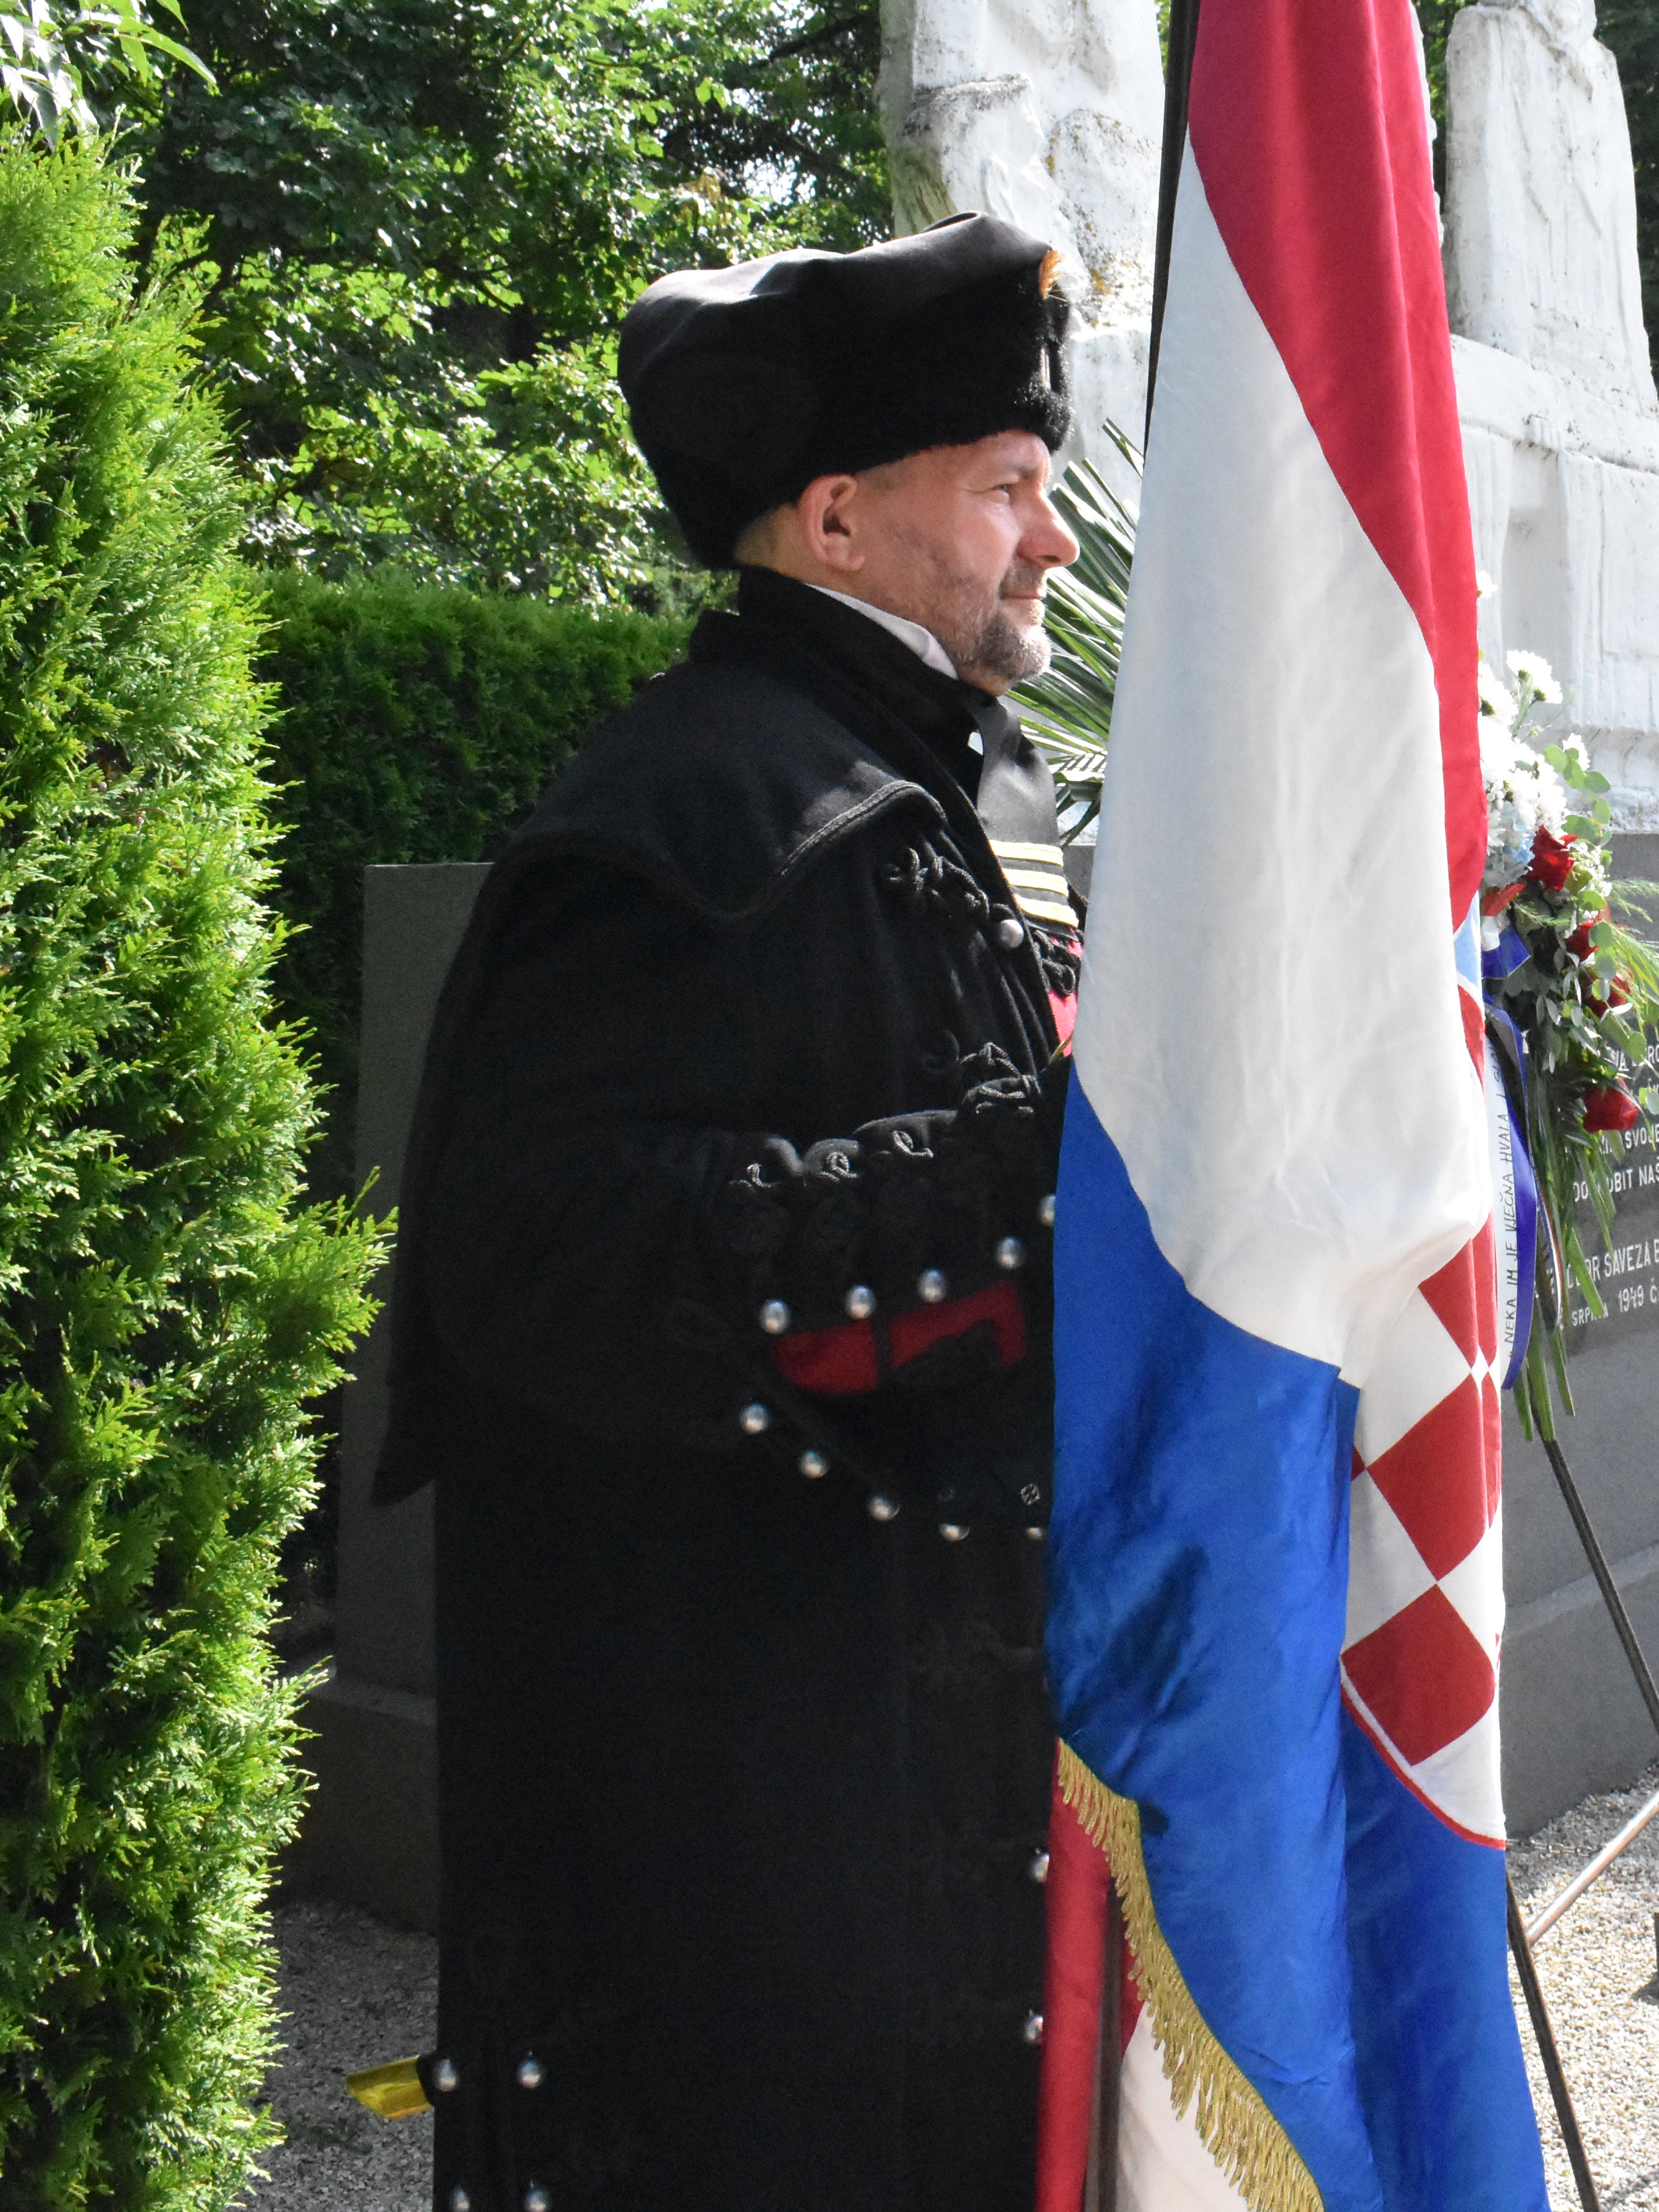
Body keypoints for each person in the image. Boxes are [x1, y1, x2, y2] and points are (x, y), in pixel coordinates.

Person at [377, 215, 1088, 2205]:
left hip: (970, 1767)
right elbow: (542, 1258)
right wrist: (1029, 1170)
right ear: (842, 517)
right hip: (761, 1830)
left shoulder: (982, 785)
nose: (1051, 541)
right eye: (1013, 491)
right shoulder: (675, 820)